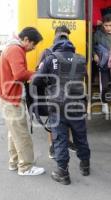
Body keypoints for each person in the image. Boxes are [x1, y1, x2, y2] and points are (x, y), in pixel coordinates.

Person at [33, 33, 90, 185]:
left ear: (55, 44)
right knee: (81, 137)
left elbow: (37, 80)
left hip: (57, 106)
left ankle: (63, 173)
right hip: (77, 104)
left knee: (60, 139)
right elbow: (85, 79)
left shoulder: (51, 58)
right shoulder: (81, 59)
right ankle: (85, 166)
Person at [0, 27, 45, 176]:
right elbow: (19, 74)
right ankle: (26, 167)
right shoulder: (16, 50)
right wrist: (37, 73)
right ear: (25, 40)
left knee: (14, 133)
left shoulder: (11, 47)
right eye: (33, 44)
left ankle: (15, 162)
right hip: (12, 98)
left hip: (7, 96)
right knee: (22, 134)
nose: (34, 47)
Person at [39, 25, 77, 159]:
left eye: (66, 36)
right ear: (56, 35)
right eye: (62, 35)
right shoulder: (47, 52)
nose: (64, 38)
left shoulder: (71, 50)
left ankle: (67, 142)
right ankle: (52, 146)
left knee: (68, 118)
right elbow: (40, 71)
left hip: (69, 91)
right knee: (53, 121)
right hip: (53, 92)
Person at [93, 14, 111, 114]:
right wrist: (94, 55)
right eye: (106, 25)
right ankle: (104, 103)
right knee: (104, 87)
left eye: (110, 25)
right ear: (102, 25)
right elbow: (92, 45)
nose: (108, 28)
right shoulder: (98, 34)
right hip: (104, 63)